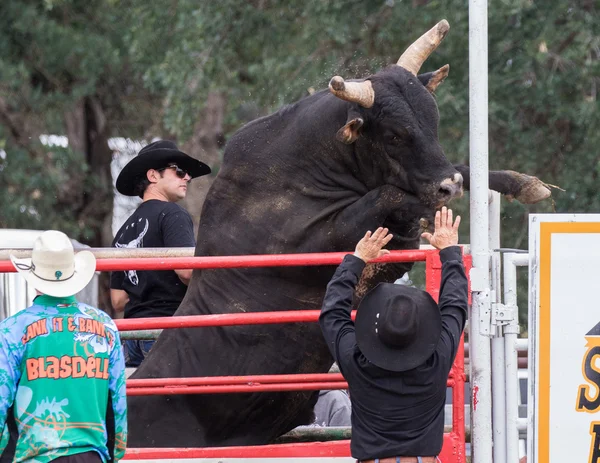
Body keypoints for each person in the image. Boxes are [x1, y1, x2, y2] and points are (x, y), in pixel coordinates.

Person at [319, 207, 467, 463]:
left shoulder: (356, 361)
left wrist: (357, 259)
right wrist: (450, 253)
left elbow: (332, 313)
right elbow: (455, 305)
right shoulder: (437, 358)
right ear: (421, 330)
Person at [0, 230, 127, 463]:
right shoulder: (105, 326)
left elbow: (1, 400)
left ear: (34, 277)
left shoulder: (12, 330)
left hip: (36, 456)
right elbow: (116, 401)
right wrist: (115, 453)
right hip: (92, 454)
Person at [110, 140, 211, 367]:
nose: (187, 178)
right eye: (179, 171)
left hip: (131, 337)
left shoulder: (122, 232)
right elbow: (186, 271)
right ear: (153, 176)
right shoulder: (173, 214)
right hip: (166, 330)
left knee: (140, 400)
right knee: (179, 399)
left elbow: (118, 301)